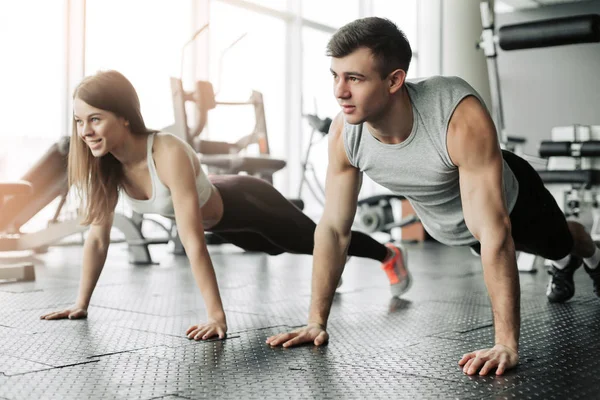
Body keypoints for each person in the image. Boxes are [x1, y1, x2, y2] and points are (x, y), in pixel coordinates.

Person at [265, 17, 600, 376]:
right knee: (507, 243)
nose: (339, 91)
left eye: (355, 79)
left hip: (515, 200)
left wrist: (505, 344)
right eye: (335, 75)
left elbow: (494, 230)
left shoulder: (456, 116)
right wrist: (316, 321)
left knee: (562, 242)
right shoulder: (345, 135)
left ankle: (590, 256)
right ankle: (564, 261)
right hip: (459, 226)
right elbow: (333, 229)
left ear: (394, 80)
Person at [39, 70, 411, 342]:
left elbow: (193, 242)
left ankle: (387, 254)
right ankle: (334, 261)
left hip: (247, 202)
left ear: (123, 115)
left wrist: (217, 318)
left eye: (95, 119)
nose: (85, 131)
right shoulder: (106, 167)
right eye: (79, 121)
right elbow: (98, 240)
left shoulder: (165, 152)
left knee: (313, 240)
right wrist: (80, 303)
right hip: (227, 225)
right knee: (272, 248)